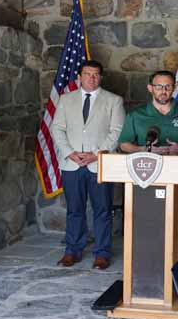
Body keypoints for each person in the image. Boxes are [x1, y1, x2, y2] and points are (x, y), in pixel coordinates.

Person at [50, 60, 125, 270]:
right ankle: (72, 251)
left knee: (102, 210)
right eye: (87, 74)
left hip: (100, 164)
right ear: (79, 77)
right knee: (74, 210)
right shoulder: (66, 99)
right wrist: (69, 153)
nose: (91, 78)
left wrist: (96, 155)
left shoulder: (113, 100)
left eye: (95, 74)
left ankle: (102, 253)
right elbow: (57, 129)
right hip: (72, 164)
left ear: (100, 77)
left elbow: (117, 132)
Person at [118, 70, 178, 232]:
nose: (163, 90)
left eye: (168, 86)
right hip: (144, 175)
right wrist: (146, 150)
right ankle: (144, 256)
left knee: (176, 224)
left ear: (174, 88)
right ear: (150, 88)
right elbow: (124, 144)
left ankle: (174, 257)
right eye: (159, 86)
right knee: (145, 223)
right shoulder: (137, 115)